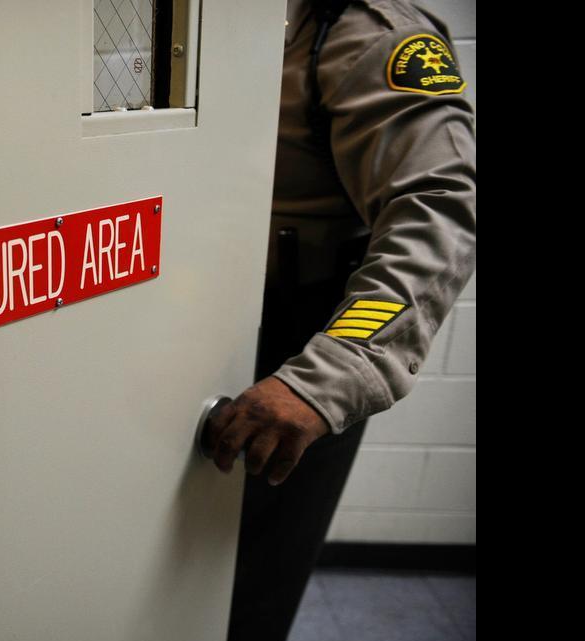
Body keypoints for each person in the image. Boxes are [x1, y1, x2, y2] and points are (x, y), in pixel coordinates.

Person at [200, 1, 477, 640]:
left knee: (247, 581)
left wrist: (322, 378)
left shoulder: (366, 33)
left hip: (296, 340)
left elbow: (436, 213)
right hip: (196, 317)